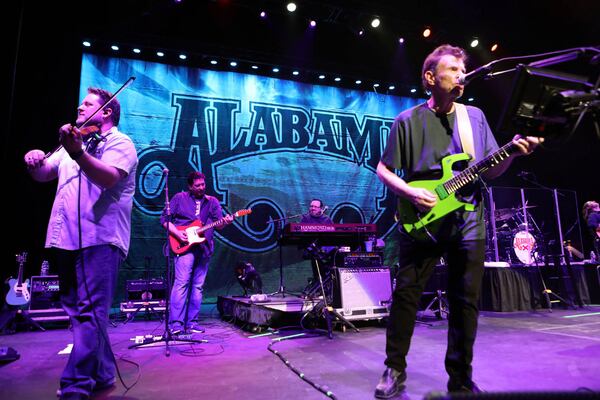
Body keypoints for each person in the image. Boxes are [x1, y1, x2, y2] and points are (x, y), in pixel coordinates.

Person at [374, 44, 543, 398]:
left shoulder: (474, 117)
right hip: (422, 218)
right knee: (407, 295)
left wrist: (513, 150)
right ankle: (394, 368)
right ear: (430, 78)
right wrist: (409, 192)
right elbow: (383, 169)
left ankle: (461, 378)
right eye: (452, 68)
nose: (460, 74)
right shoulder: (407, 120)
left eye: (462, 69)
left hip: (468, 220)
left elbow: (491, 169)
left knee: (465, 301)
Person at [24, 87, 138, 400]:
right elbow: (46, 173)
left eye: (87, 104)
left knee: (90, 312)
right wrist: (34, 162)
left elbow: (109, 178)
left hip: (99, 238)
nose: (79, 106)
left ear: (106, 113)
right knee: (79, 313)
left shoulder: (119, 142)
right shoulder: (72, 142)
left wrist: (78, 152)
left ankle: (75, 386)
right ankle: (101, 374)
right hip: (66, 238)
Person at [162, 171, 234, 335]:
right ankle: (176, 325)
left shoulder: (212, 202)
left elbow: (219, 225)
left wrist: (227, 222)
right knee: (181, 284)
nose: (201, 187)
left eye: (203, 184)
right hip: (183, 245)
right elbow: (165, 220)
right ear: (190, 186)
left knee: (197, 287)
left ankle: (192, 323)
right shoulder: (179, 198)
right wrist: (178, 233)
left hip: (204, 247)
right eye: (197, 185)